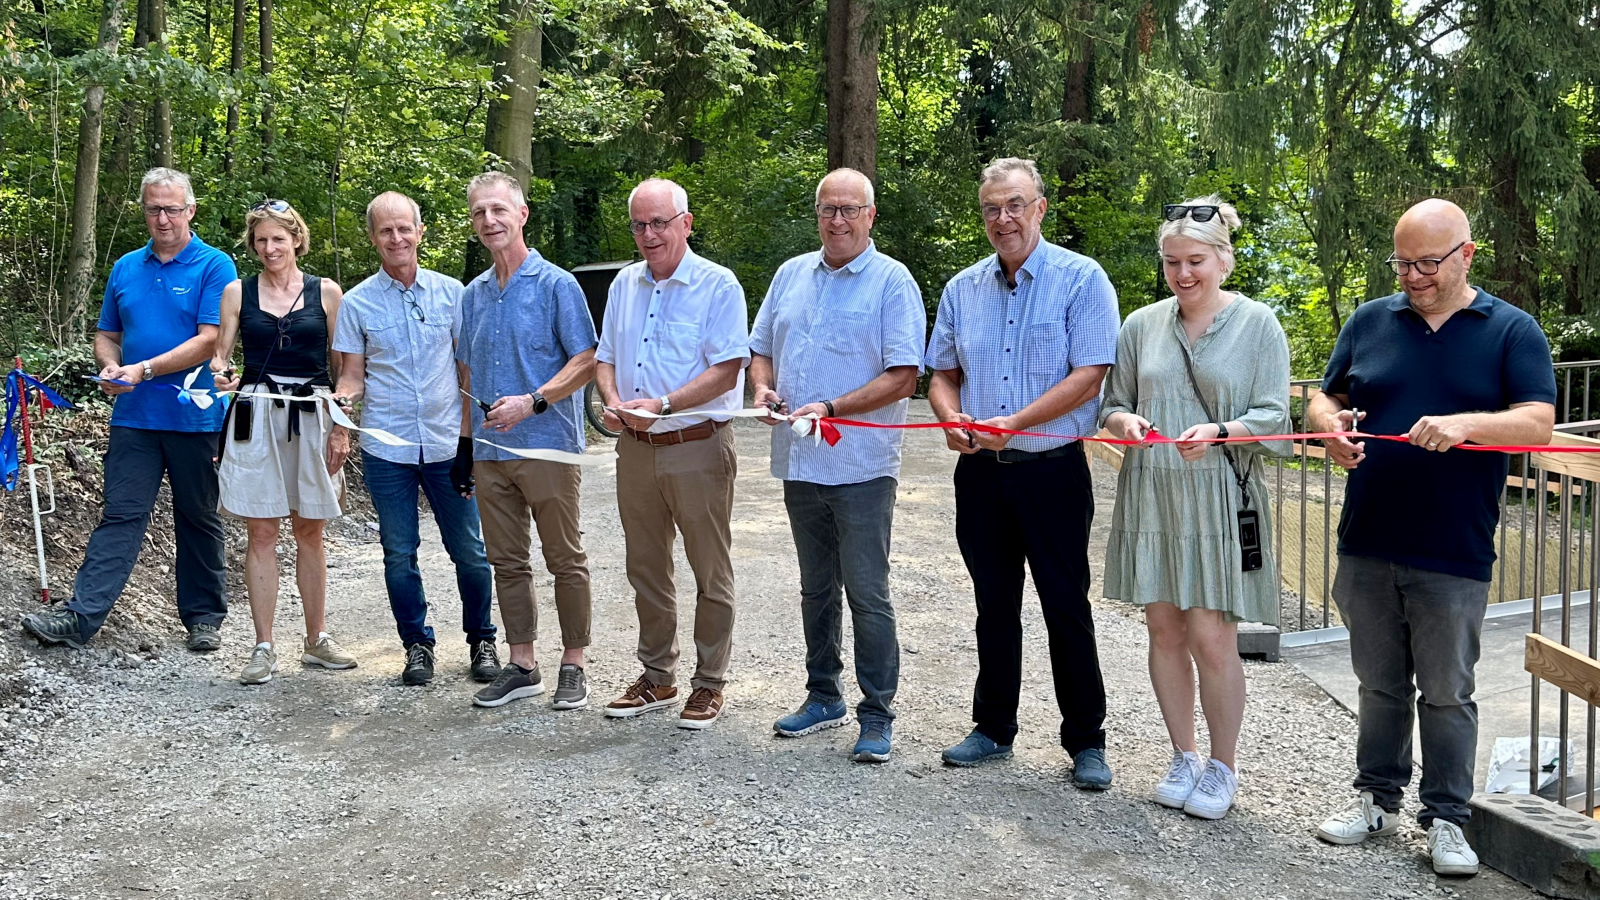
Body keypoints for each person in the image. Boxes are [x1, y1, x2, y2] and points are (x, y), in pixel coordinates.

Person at [1309, 199, 1555, 875]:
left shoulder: (1511, 330)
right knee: (1378, 685)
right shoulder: (1370, 320)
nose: (1413, 276)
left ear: (1466, 254)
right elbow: (1323, 397)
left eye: (1427, 263)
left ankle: (1447, 818)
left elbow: (1536, 423)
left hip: (1454, 549)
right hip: (1366, 538)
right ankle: (1375, 797)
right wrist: (1331, 429)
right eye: (1403, 262)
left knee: (1447, 692)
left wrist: (1467, 424)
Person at [924, 157, 1120, 788]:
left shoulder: (1082, 279)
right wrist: (952, 417)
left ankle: (1086, 739)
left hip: (1054, 470)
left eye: (1014, 205)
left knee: (1066, 604)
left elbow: (1089, 375)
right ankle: (992, 727)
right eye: (991, 208)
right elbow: (943, 372)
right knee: (993, 604)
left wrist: (1014, 422)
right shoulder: (962, 288)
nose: (1002, 219)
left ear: (1039, 208)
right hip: (981, 475)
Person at [1099, 196, 1291, 818]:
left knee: (1213, 635)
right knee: (1164, 628)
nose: (1184, 274)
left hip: (1218, 493)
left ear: (1223, 261)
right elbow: (1110, 404)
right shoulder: (1141, 325)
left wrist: (1222, 432)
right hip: (1153, 489)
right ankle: (1182, 754)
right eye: (1173, 262)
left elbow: (1277, 421)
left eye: (1196, 261)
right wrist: (1124, 419)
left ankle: (1223, 766)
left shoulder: (1259, 324)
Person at [750, 168, 926, 762]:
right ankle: (823, 694)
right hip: (799, 462)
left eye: (851, 209)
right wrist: (764, 390)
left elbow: (904, 374)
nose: (839, 220)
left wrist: (833, 407)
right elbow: (761, 350)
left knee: (868, 594)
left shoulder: (892, 282)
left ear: (871, 215)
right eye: (829, 209)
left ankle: (877, 713)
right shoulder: (790, 275)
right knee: (815, 589)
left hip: (862, 467)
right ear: (818, 214)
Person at [21, 168, 235, 652]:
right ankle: (80, 618)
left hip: (193, 416)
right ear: (144, 210)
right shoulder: (125, 267)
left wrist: (144, 370)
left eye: (172, 209)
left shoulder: (214, 265)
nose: (163, 218)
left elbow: (208, 341)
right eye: (154, 208)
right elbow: (106, 334)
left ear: (191, 211)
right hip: (133, 418)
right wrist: (112, 366)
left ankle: (203, 617)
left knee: (198, 515)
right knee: (120, 515)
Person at [595, 177, 750, 729]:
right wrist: (613, 401)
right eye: (639, 224)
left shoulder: (718, 285)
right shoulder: (623, 284)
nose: (648, 234)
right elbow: (605, 356)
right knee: (646, 568)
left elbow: (727, 368)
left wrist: (661, 404)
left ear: (686, 222)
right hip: (635, 448)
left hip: (696, 445)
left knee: (710, 569)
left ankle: (710, 684)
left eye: (660, 222)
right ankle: (658, 676)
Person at [332, 192, 500, 687]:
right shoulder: (357, 302)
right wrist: (340, 405)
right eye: (386, 231)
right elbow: (353, 376)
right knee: (397, 551)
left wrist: (471, 444)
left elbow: (467, 374)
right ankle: (416, 645)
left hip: (449, 443)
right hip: (388, 449)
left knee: (469, 549)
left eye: (404, 228)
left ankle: (482, 639)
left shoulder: (454, 295)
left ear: (420, 231)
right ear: (373, 238)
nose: (396, 238)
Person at [457, 172, 599, 710]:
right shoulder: (472, 295)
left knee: (565, 557)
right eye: (479, 213)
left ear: (522, 214)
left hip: (547, 446)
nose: (489, 221)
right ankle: (522, 663)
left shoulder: (557, 284)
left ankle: (574, 662)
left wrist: (534, 400)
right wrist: (466, 447)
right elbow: (466, 372)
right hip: (492, 454)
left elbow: (586, 360)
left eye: (498, 210)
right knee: (507, 560)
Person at [210, 199, 358, 685]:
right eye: (260, 240)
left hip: (314, 414)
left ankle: (316, 640)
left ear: (297, 238)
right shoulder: (237, 292)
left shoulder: (328, 293)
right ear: (252, 246)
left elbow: (346, 371)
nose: (270, 248)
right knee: (261, 532)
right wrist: (223, 374)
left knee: (311, 531)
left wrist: (342, 427)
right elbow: (221, 358)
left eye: (278, 238)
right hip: (257, 415)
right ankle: (263, 645)